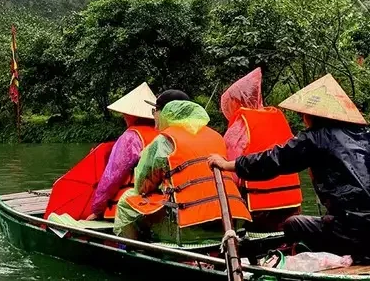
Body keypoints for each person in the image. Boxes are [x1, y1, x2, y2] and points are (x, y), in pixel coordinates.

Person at [209, 74, 370, 259]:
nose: (303, 119)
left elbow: (274, 159)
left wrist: (228, 164)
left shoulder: (316, 138)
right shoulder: (364, 136)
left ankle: (312, 256)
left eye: (303, 115)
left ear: (312, 116)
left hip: (359, 231)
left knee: (293, 224)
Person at [113, 90, 252, 242]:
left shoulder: (163, 141)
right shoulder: (216, 136)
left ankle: (134, 250)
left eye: (155, 110)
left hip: (189, 228)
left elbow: (142, 186)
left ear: (166, 112)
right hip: (230, 223)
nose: (154, 115)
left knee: (126, 199)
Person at [221, 68, 302, 231]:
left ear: (235, 102)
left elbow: (231, 175)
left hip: (259, 208)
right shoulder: (277, 118)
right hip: (292, 205)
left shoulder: (239, 127)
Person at [88, 83, 159, 221]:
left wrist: (97, 209)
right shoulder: (163, 134)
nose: (123, 116)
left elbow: (112, 177)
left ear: (132, 115)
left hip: (131, 206)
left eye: (125, 113)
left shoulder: (130, 137)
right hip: (158, 203)